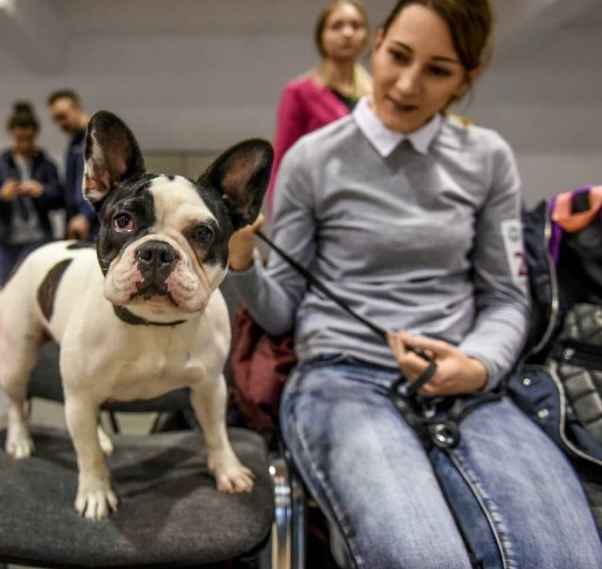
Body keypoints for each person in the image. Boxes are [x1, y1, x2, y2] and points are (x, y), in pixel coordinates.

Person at [227, 1, 602, 567]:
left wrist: (475, 365)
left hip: (469, 386)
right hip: (340, 380)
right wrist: (243, 263)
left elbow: (506, 299)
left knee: (565, 558)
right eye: (398, 57)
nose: (406, 85)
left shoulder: (487, 159)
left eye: (438, 69)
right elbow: (281, 314)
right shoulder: (312, 159)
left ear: (467, 77)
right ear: (377, 45)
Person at [267, 0, 371, 217]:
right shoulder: (299, 92)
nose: (348, 33)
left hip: (367, 199)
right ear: (321, 37)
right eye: (337, 26)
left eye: (356, 25)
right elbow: (283, 158)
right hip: (317, 202)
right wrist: (279, 211)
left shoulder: (376, 94)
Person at [0, 101, 64, 283]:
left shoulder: (46, 164)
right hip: (6, 240)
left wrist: (42, 192)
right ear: (12, 133)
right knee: (5, 286)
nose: (24, 143)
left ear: (35, 134)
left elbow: (60, 201)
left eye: (28, 138)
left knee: (37, 285)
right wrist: (1, 195)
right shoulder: (0, 164)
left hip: (38, 238)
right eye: (20, 138)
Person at [47, 89, 98, 241]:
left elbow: (103, 183)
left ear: (78, 108)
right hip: (77, 223)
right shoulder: (75, 143)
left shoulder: (97, 139)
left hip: (94, 223)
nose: (61, 124)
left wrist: (86, 216)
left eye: (63, 116)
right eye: (56, 120)